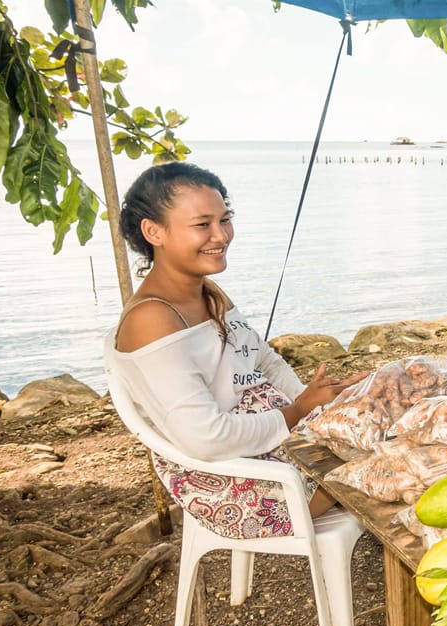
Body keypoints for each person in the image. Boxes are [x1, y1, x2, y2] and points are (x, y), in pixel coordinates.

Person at [103, 162, 367, 540]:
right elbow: (205, 438)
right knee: (401, 462)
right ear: (153, 231)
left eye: (225, 219)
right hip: (243, 485)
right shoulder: (152, 320)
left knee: (398, 418)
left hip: (278, 449)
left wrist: (319, 408)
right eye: (202, 224)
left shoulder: (208, 293)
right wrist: (297, 413)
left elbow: (264, 359)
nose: (221, 235)